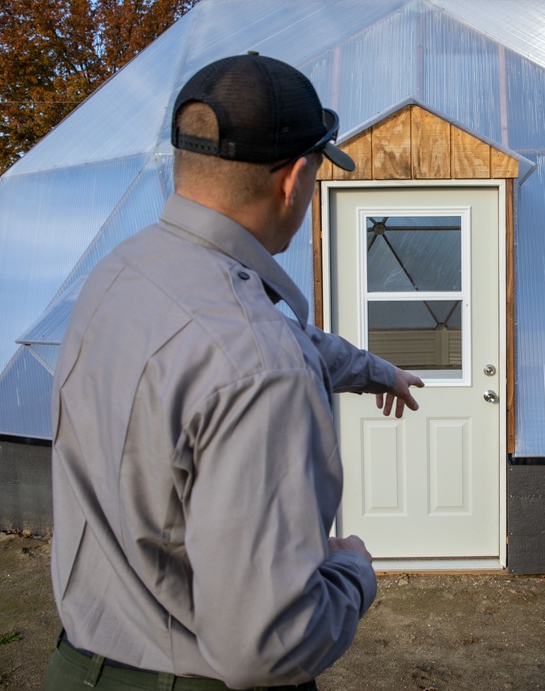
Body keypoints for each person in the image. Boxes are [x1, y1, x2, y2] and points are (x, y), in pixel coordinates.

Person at [42, 54, 423, 690]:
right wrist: (355, 571)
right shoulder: (259, 366)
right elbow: (268, 647)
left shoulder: (120, 276)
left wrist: (375, 370)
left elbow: (267, 344)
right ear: (294, 178)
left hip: (81, 666)